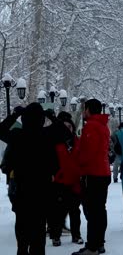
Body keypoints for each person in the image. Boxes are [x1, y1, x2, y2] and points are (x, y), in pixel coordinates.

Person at [0, 104, 60, 255]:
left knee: (22, 228)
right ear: (41, 119)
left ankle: (22, 251)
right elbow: (64, 132)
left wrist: (14, 114)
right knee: (39, 232)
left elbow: (0, 131)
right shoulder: (47, 135)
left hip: (22, 190)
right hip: (42, 190)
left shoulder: (17, 135)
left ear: (24, 119)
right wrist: (51, 116)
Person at [73, 99, 111, 255]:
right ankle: (99, 243)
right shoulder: (103, 126)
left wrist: (78, 161)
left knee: (92, 211)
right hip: (102, 172)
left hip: (92, 174)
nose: (83, 112)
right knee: (100, 210)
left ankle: (92, 247)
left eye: (84, 108)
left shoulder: (91, 127)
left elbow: (88, 152)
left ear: (88, 109)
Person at [49, 112, 83, 247]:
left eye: (69, 126)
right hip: (59, 181)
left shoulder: (77, 142)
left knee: (75, 210)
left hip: (75, 181)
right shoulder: (55, 143)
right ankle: (55, 236)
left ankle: (76, 235)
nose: (67, 129)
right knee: (58, 211)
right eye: (64, 126)